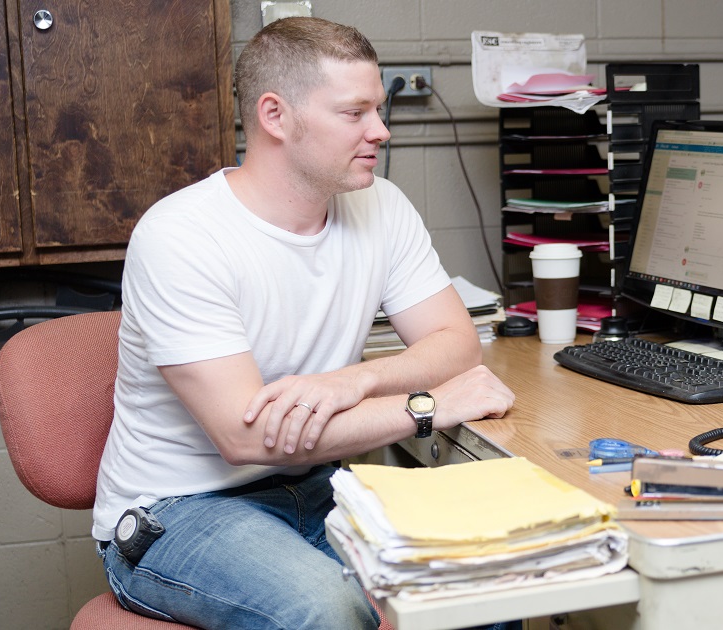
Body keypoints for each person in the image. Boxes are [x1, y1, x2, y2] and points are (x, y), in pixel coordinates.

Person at [91, 16, 516, 629]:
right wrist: (423, 407)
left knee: (488, 580)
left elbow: (456, 342)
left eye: (378, 109)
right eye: (355, 113)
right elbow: (247, 438)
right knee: (326, 611)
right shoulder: (180, 237)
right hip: (179, 512)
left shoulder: (380, 206)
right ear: (275, 116)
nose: (382, 131)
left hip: (318, 488)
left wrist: (356, 380)